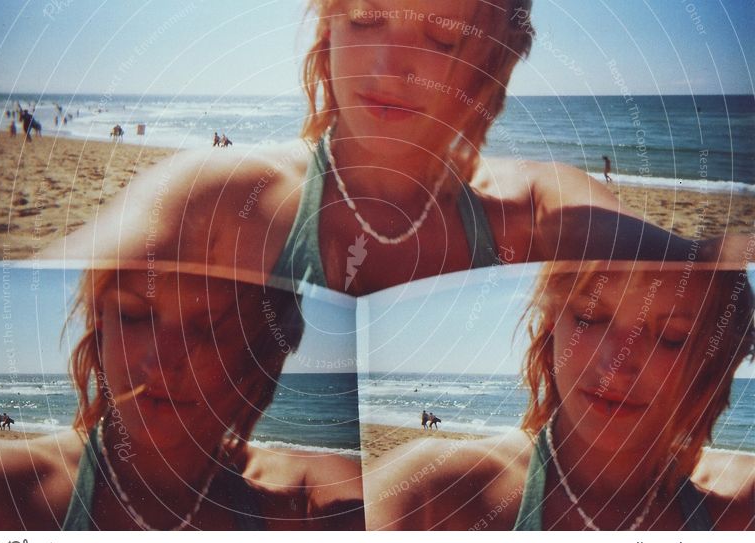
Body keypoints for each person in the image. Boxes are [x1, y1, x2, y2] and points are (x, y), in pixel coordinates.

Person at [44, 1, 745, 292]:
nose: (387, 67)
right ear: (328, 32)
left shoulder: (538, 209)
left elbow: (720, 280)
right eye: (367, 19)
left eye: (440, 37)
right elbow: (38, 287)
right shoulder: (219, 196)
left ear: (492, 64)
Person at [0, 269, 364, 530]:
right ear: (102, 328)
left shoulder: (307, 502)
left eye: (209, 329)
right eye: (134, 316)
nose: (162, 362)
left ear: (258, 354)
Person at [365, 263, 755, 530]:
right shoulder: (429, 495)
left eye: (671, 336)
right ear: (553, 327)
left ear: (714, 359)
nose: (616, 364)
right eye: (588, 316)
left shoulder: (738, 508)